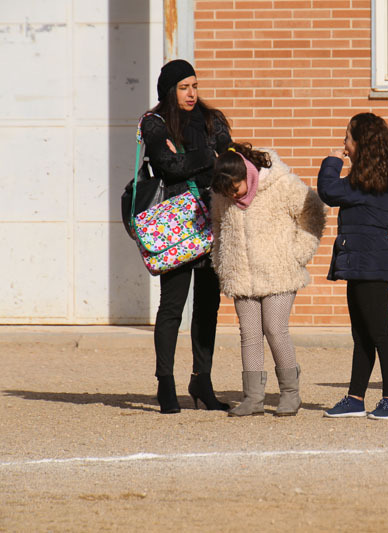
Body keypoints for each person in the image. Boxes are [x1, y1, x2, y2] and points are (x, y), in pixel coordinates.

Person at [140, 59, 232, 414]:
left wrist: (197, 158)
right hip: (175, 227)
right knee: (172, 307)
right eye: (183, 88)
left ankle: (201, 380)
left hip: (212, 220)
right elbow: (169, 166)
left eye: (194, 86)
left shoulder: (213, 119)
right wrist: (207, 156)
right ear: (169, 91)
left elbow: (228, 161)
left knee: (208, 307)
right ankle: (165, 382)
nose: (192, 94)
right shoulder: (155, 123)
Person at [317, 112, 388, 420]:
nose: (344, 145)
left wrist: (332, 162)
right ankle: (355, 398)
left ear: (362, 143)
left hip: (370, 262)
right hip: (362, 261)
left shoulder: (365, 182)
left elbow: (328, 191)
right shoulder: (377, 178)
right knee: (362, 333)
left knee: (379, 332)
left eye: (347, 139)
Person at [210, 142, 327, 417]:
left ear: (246, 174)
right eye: (227, 192)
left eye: (235, 188)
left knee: (275, 329)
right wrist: (222, 262)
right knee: (249, 335)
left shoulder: (281, 184)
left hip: (279, 272)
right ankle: (253, 398)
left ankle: (290, 394)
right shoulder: (221, 195)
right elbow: (217, 226)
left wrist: (298, 254)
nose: (232, 195)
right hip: (241, 275)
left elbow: (314, 211)